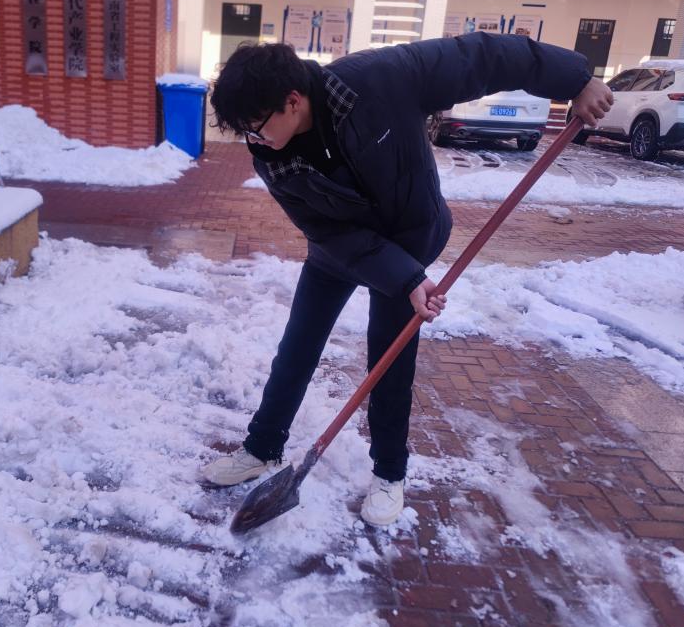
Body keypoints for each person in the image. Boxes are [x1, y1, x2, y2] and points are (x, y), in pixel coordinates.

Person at [200, 32, 613, 526]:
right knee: (297, 347)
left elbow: (481, 57)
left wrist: (576, 80)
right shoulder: (273, 158)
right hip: (340, 246)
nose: (255, 140)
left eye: (257, 127)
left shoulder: (382, 79)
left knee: (390, 360)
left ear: (292, 100)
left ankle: (389, 473)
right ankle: (262, 447)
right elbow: (326, 230)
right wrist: (396, 275)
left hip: (411, 236)